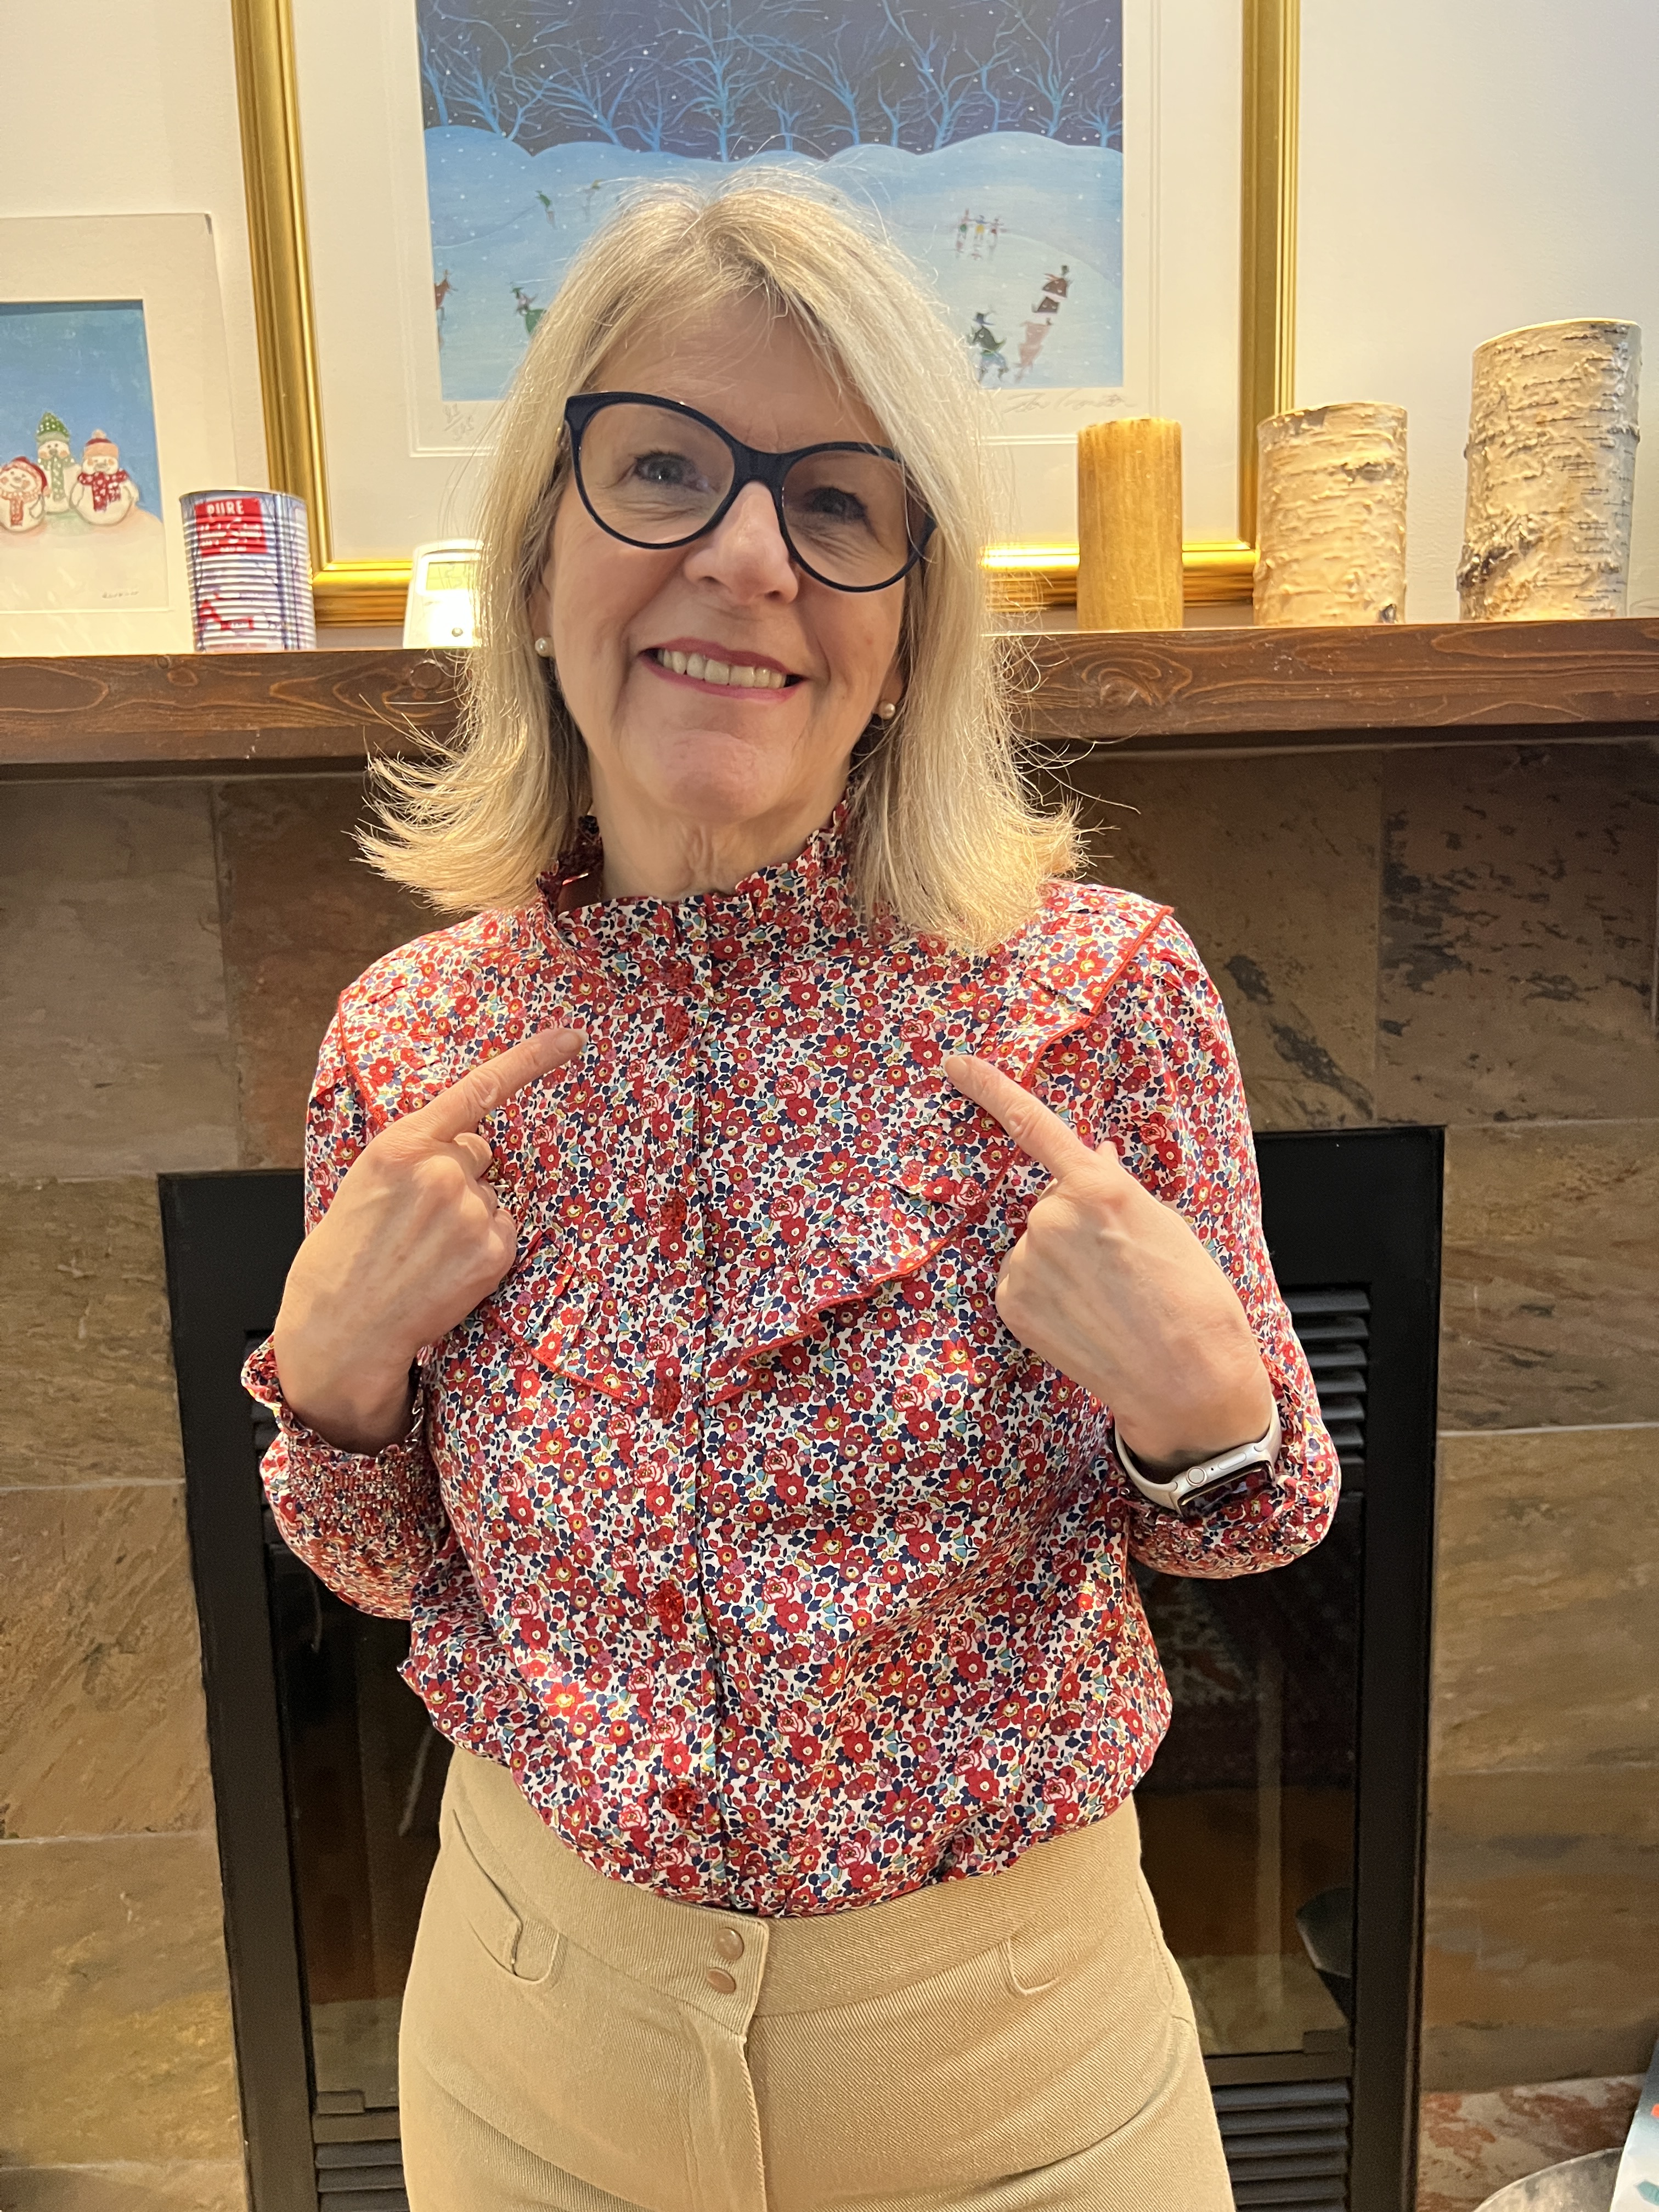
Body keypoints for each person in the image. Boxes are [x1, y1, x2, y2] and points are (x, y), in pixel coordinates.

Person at [248, 176, 1339, 2212]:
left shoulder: (1100, 996)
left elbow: (1262, 1524)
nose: (748, 555)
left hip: (1023, 2088)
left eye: (838, 502)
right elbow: (384, 1573)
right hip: (535, 2066)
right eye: (662, 468)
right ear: (538, 562)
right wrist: (332, 1372)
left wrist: (1201, 1410)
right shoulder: (409, 1039)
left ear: (910, 626)